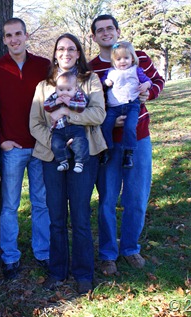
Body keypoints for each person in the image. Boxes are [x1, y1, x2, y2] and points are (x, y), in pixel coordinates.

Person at [29, 33, 107, 294]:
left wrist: (67, 116)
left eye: (71, 49)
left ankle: (83, 273)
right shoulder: (43, 86)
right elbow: (35, 124)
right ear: (54, 53)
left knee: (81, 216)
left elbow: (98, 113)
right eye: (61, 49)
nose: (66, 53)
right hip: (53, 157)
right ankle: (58, 270)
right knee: (56, 216)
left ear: (78, 53)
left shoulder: (90, 80)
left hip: (85, 156)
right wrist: (55, 141)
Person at [89, 14, 165, 276]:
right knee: (108, 199)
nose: (106, 33)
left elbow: (158, 81)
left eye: (110, 28)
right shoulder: (92, 68)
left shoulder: (138, 56)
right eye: (100, 30)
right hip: (109, 142)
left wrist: (148, 92)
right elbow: (89, 103)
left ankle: (131, 247)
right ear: (94, 36)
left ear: (117, 30)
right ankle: (108, 253)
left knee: (136, 197)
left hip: (139, 138)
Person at [0, 17, 51, 279]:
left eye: (18, 34)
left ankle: (43, 252)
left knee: (41, 202)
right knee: (10, 205)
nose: (14, 39)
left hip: (41, 146)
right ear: (3, 39)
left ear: (26, 35)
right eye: (9, 35)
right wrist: (1, 139)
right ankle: (10, 257)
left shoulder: (43, 66)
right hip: (12, 148)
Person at [100, 41, 152, 169]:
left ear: (132, 58)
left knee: (130, 127)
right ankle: (107, 149)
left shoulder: (136, 70)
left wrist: (146, 85)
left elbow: (148, 80)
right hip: (113, 106)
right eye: (118, 59)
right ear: (113, 60)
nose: (122, 61)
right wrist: (105, 82)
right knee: (106, 125)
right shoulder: (110, 72)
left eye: (126, 58)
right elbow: (101, 82)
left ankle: (129, 153)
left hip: (132, 104)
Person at [43, 71, 89, 173]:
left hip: (75, 127)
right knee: (56, 144)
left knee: (80, 142)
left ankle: (79, 162)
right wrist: (55, 102)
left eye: (68, 90)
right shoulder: (55, 96)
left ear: (75, 89)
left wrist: (70, 103)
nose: (64, 93)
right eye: (61, 89)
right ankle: (63, 161)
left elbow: (81, 107)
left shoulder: (78, 95)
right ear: (56, 89)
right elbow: (46, 105)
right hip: (59, 128)